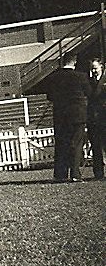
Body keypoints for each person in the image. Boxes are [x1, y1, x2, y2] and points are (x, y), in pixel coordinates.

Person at [46, 52, 91, 182]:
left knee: (61, 144)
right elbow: (89, 93)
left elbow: (50, 97)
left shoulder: (53, 77)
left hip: (60, 116)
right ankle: (75, 174)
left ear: (62, 62)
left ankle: (60, 174)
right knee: (76, 144)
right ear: (74, 62)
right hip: (77, 116)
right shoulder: (80, 77)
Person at [86, 57, 106, 180]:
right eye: (92, 69)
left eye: (95, 68)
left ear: (101, 67)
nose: (94, 71)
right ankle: (98, 173)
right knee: (96, 147)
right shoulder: (88, 81)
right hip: (94, 118)